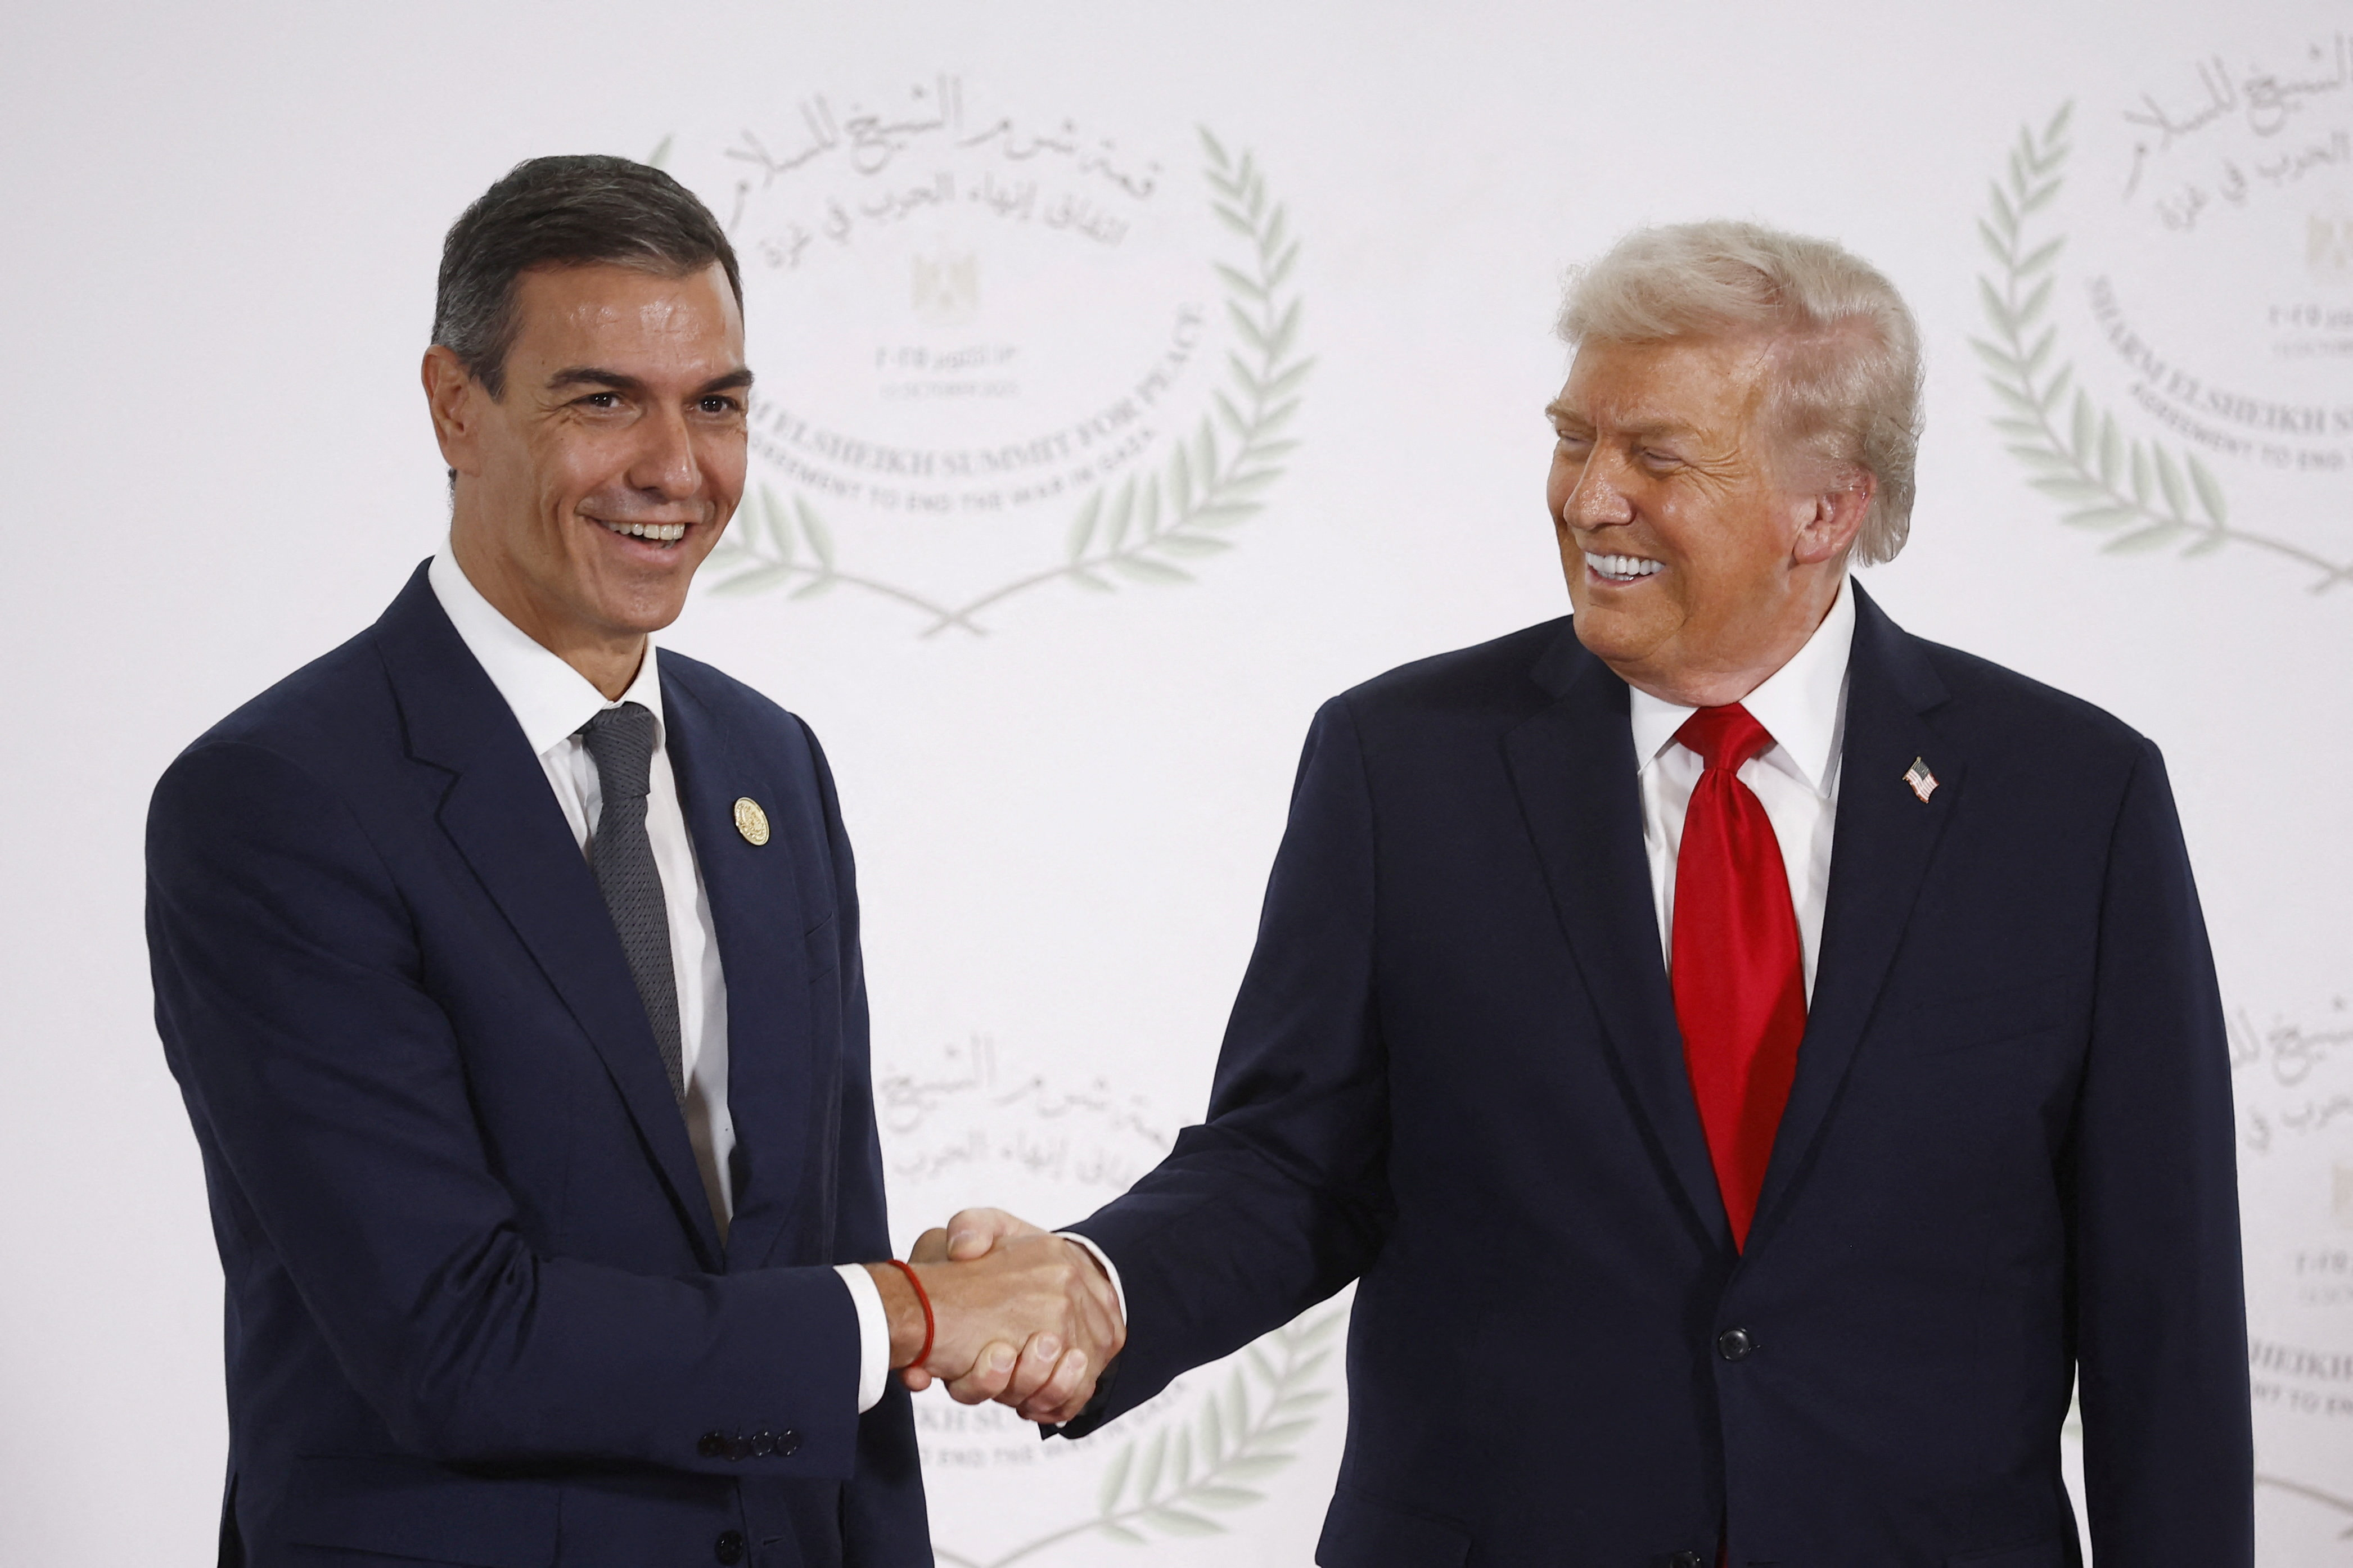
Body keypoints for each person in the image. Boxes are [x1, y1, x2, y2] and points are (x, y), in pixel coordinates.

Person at [928, 221, 2253, 1566]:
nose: (1586, 497)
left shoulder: (2070, 801)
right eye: (1574, 439)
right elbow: (1293, 1162)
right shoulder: (1403, 765)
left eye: (1656, 457)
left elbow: (2165, 1308)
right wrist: (1099, 1288)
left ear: (1827, 507)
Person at [145, 155, 1117, 1568]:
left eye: (715, 405)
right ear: (453, 406)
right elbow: (455, 1340)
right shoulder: (279, 802)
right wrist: (908, 1313)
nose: (676, 469)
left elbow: (818, 1262)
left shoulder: (767, 763)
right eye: (603, 399)